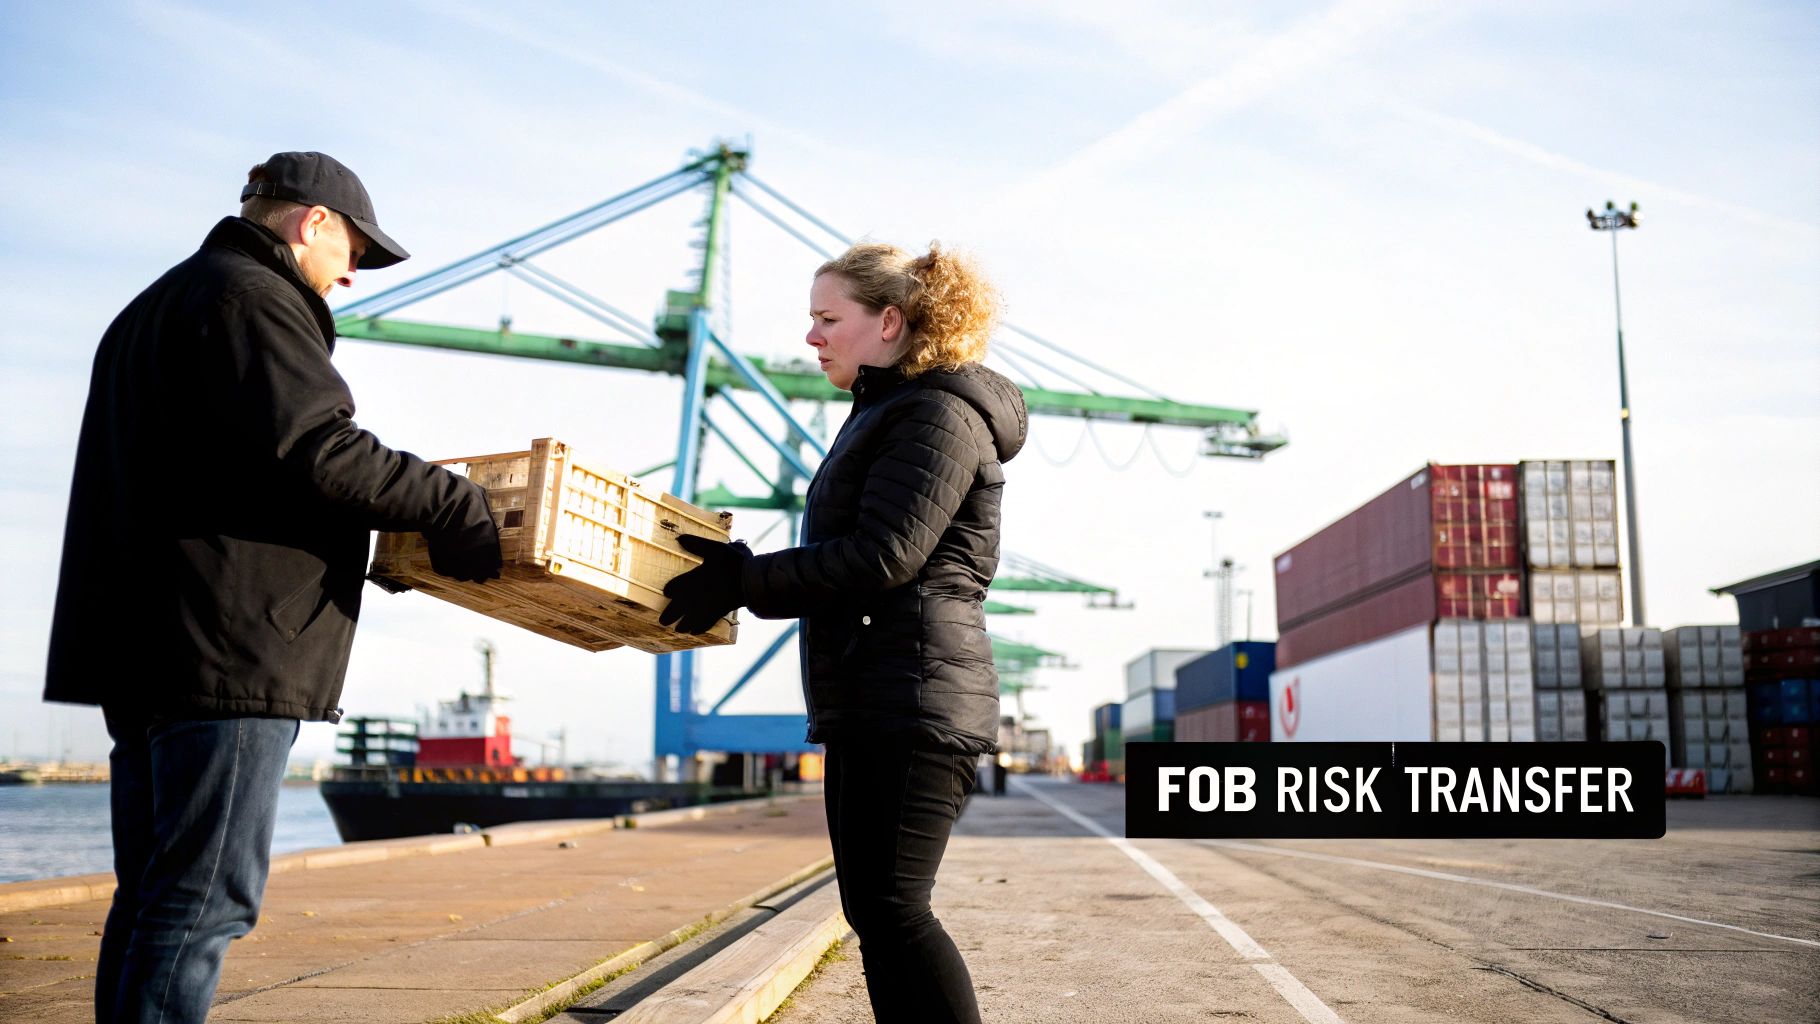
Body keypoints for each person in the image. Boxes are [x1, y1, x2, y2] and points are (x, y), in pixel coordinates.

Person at [43, 151, 503, 1023]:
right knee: (205, 901)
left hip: (146, 648)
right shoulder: (252, 298)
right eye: (355, 255)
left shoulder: (154, 306)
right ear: (311, 222)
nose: (353, 279)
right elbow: (321, 450)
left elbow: (237, 473)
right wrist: (455, 505)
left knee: (150, 897)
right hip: (229, 653)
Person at [661, 241, 1026, 1024]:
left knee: (896, 911)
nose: (812, 337)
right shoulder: (892, 412)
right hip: (881, 695)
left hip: (914, 701)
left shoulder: (936, 413)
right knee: (878, 917)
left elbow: (885, 556)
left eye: (829, 318)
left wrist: (745, 579)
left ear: (888, 321)